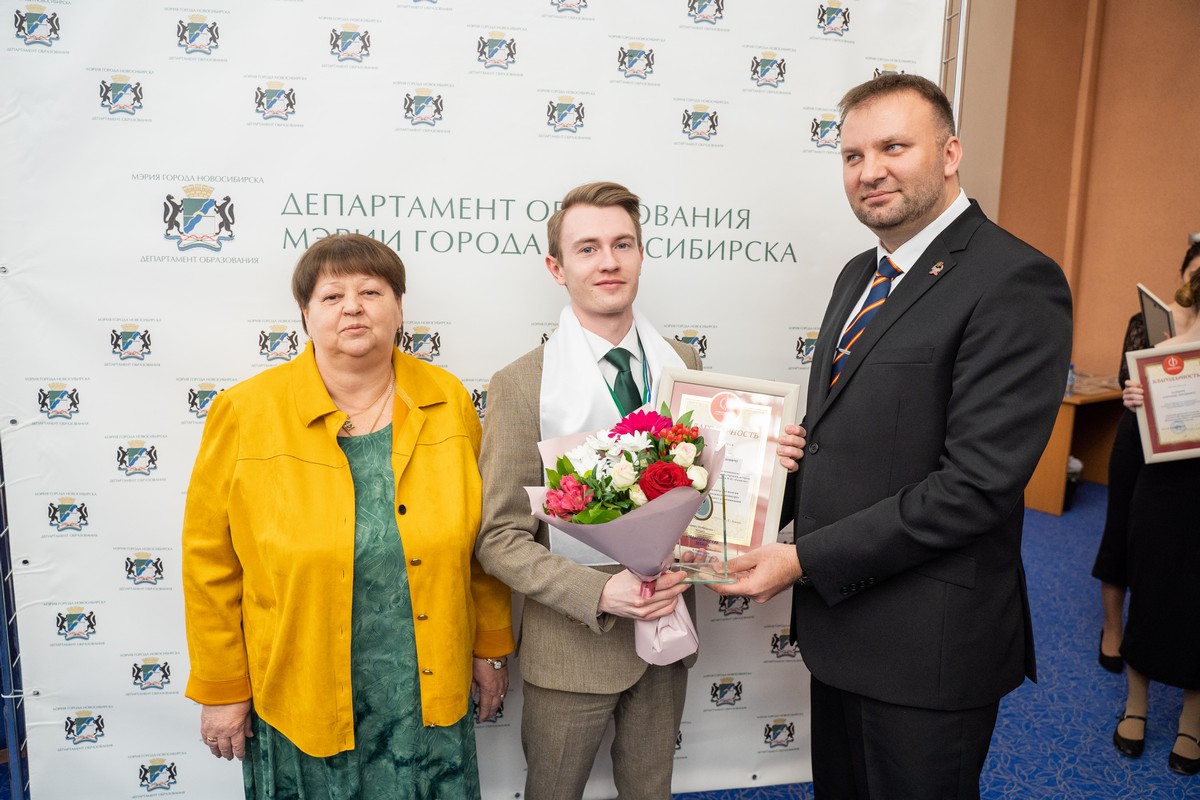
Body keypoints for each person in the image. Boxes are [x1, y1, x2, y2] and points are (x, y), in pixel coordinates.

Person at [711, 74, 1072, 799]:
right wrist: (780, 471)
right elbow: (848, 432)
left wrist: (800, 559)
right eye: (852, 155)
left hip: (927, 646)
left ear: (950, 153)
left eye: (893, 147)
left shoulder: (1015, 281)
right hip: (841, 627)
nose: (869, 170)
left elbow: (974, 488)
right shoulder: (859, 274)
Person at [475, 180, 805, 800]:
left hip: (669, 635)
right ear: (556, 267)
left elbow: (711, 490)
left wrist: (773, 460)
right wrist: (601, 591)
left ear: (641, 255)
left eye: (622, 244)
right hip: (572, 649)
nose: (609, 261)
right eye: (588, 248)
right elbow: (500, 538)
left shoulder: (685, 365)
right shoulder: (521, 384)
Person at [182, 233, 514, 798]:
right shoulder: (244, 411)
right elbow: (209, 562)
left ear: (399, 308)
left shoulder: (447, 399)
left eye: (371, 292)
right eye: (332, 296)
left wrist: (491, 648)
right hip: (299, 690)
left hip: (428, 688)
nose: (353, 307)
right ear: (305, 315)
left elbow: (481, 542)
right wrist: (221, 688)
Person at [1093, 240, 1200, 673]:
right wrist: (1146, 380)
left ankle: (1161, 635)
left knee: (1170, 546)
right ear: (1183, 276)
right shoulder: (1150, 320)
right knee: (1120, 529)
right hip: (1137, 438)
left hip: (1184, 452)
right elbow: (1128, 376)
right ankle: (1113, 630)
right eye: (1195, 272)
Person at [1111, 264, 1200, 776]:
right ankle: (1136, 705)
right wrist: (1136, 402)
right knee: (1149, 592)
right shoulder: (1167, 355)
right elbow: (1147, 426)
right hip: (1162, 490)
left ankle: (1193, 718)